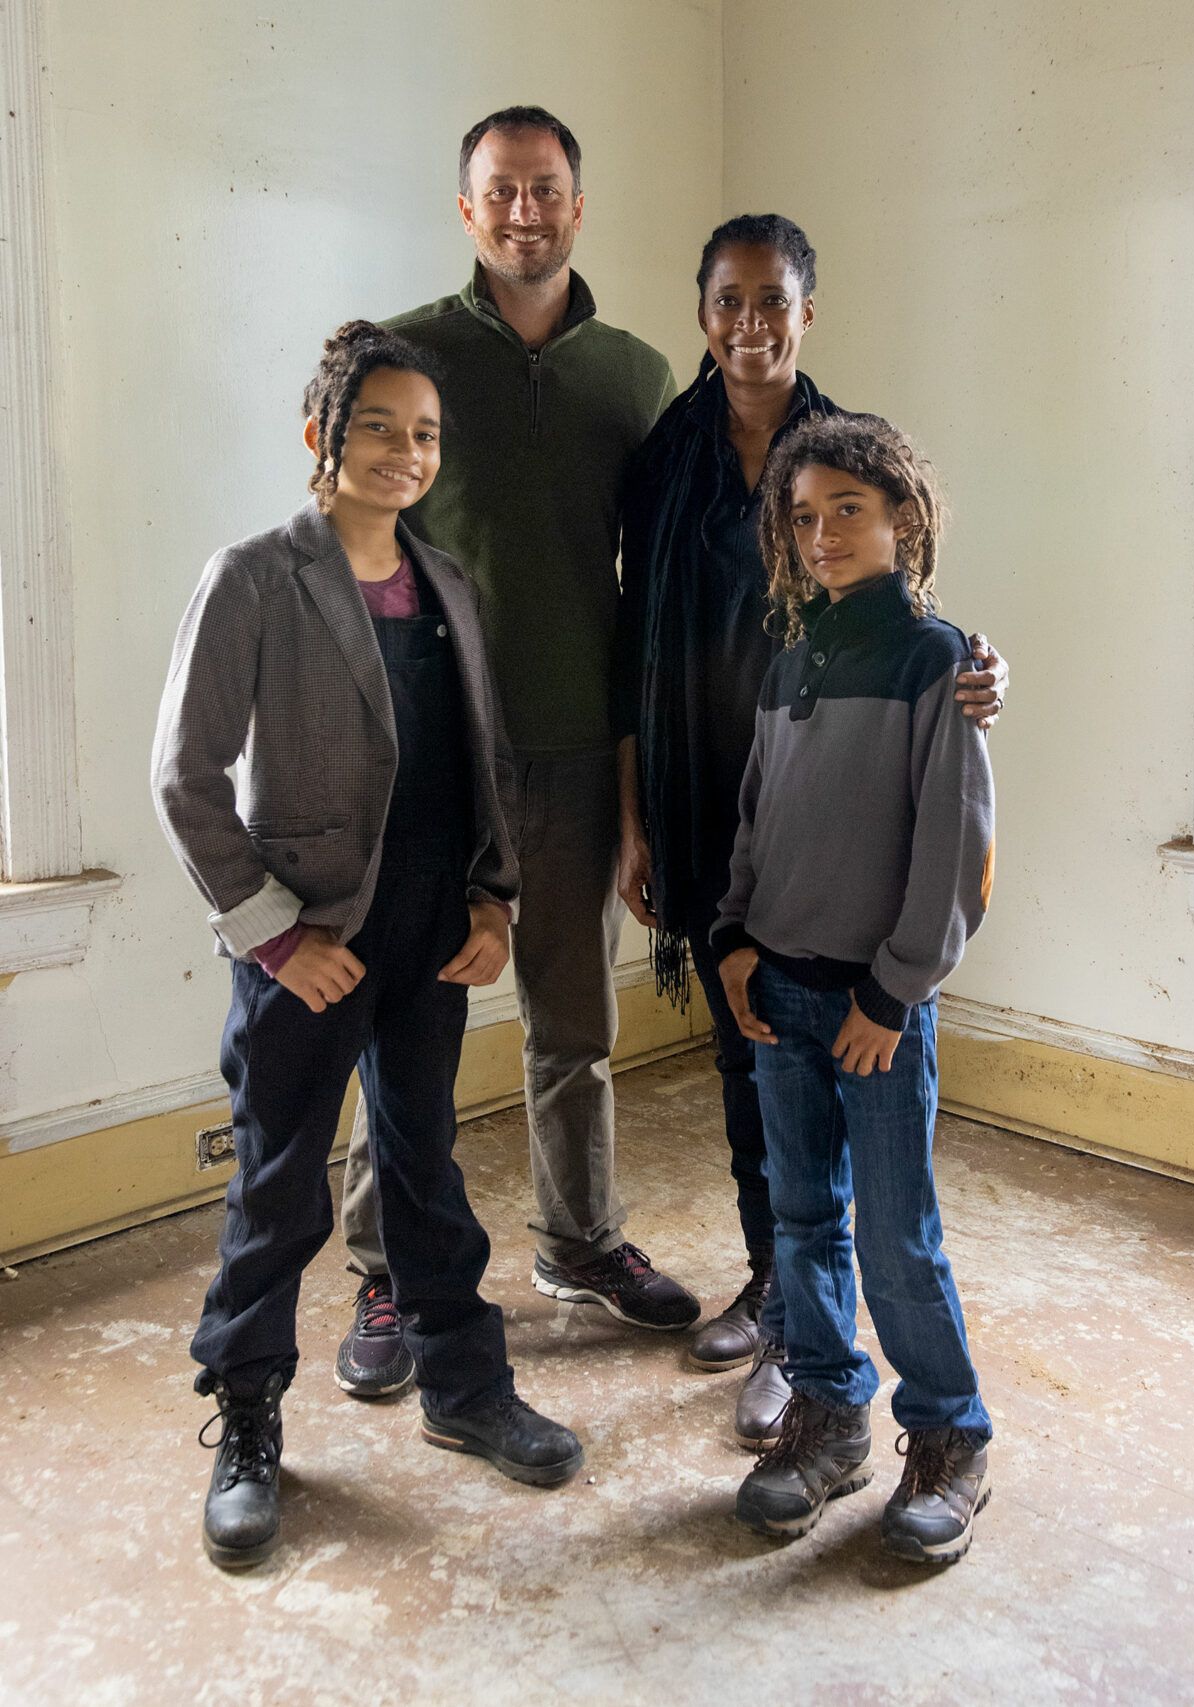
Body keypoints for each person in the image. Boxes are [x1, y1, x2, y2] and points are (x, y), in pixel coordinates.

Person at [328, 111, 1006, 1401]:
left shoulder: (635, 383)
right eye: (501, 192)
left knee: (572, 1024)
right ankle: (385, 1268)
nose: (526, 210)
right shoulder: (417, 358)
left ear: (580, 207)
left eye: (549, 190)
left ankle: (581, 1242)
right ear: (468, 209)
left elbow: (870, 580)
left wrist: (971, 662)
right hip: (446, 748)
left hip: (613, 749)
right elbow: (359, 512)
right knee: (405, 1016)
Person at [152, 324, 583, 1570]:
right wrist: (278, 940)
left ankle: (465, 1384)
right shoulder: (254, 578)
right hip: (311, 938)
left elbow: (481, 764)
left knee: (424, 1166)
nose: (406, 452)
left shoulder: (450, 588)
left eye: (426, 434)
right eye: (380, 428)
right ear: (322, 442)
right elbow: (183, 780)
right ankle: (246, 1421)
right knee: (280, 1186)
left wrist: (492, 902)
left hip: (430, 933)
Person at [612, 214, 1007, 1448]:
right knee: (770, 1116)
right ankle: (795, 1320)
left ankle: (914, 1410)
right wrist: (670, 857)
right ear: (703, 314)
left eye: (772, 297)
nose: (750, 321)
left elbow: (926, 647)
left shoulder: (848, 471)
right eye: (727, 299)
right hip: (729, 825)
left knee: (887, 1207)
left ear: (806, 311)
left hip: (856, 872)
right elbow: (634, 646)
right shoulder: (663, 459)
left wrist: (981, 667)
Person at [712, 414, 996, 1565]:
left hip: (877, 1008)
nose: (823, 533)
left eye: (848, 511)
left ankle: (949, 1436)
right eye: (804, 514)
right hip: (777, 992)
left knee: (896, 1234)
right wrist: (733, 938)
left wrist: (893, 995)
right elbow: (755, 817)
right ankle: (829, 1417)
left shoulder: (942, 666)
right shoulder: (789, 665)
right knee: (798, 1222)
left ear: (903, 521)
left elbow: (956, 848)